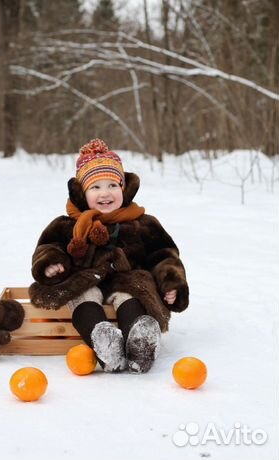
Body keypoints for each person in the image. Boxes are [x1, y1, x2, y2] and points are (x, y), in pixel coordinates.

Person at [29, 139, 189, 373]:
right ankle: (105, 343)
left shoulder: (143, 223)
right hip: (83, 279)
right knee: (83, 297)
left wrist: (170, 282)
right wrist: (52, 263)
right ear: (83, 193)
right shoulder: (67, 225)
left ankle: (140, 342)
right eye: (95, 187)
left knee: (131, 294)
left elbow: (163, 255)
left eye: (112, 185)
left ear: (123, 189)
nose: (105, 193)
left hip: (127, 280)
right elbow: (48, 247)